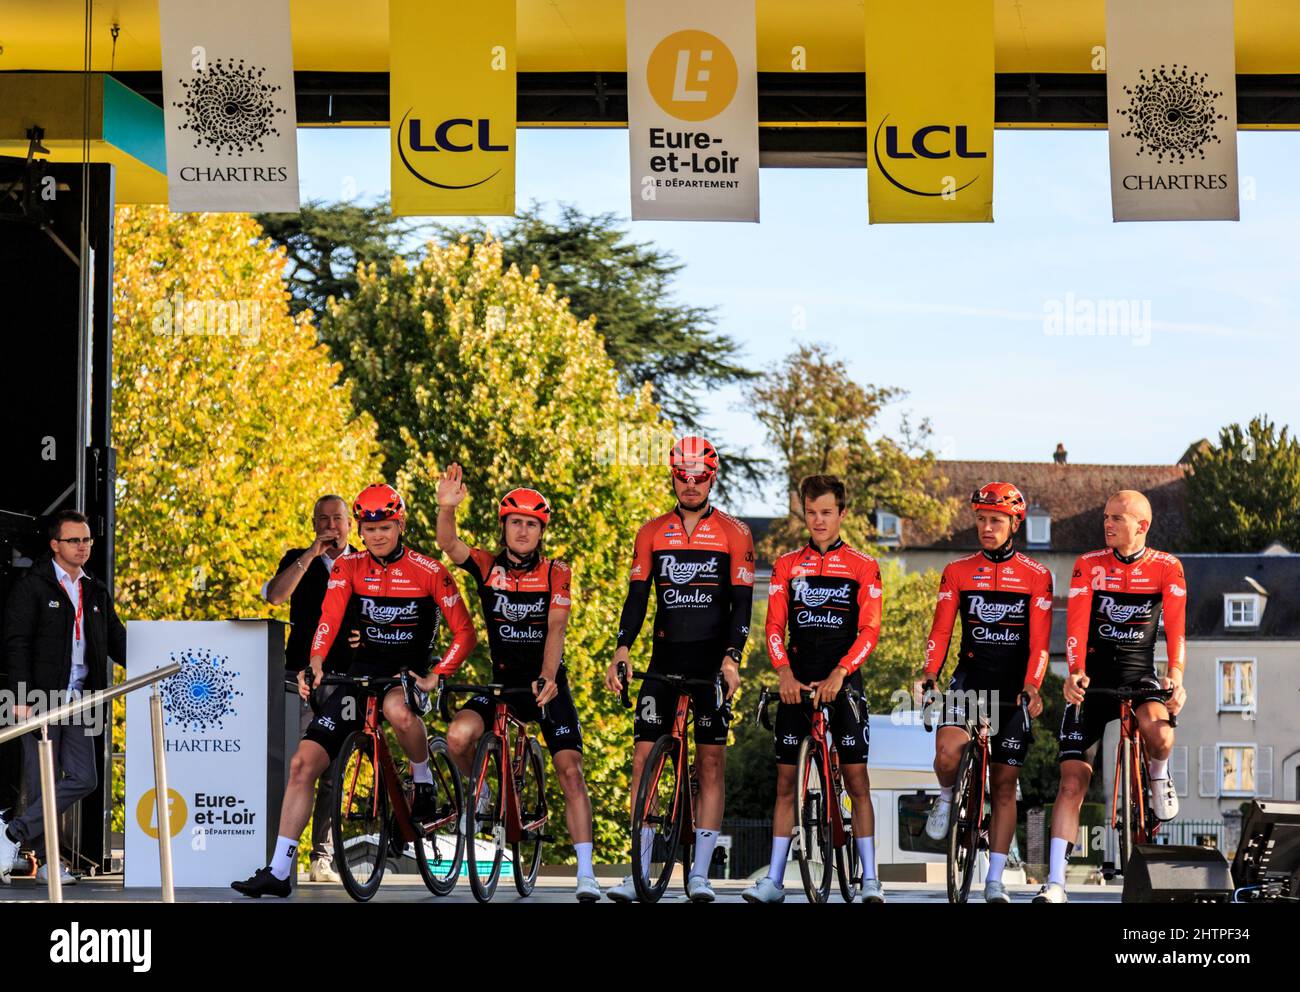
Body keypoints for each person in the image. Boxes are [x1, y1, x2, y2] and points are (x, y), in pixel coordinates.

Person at [231, 484, 476, 897]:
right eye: (369, 528)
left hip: (408, 672)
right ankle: (277, 871)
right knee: (302, 764)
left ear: (400, 524)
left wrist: (438, 674)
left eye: (385, 527)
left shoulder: (429, 569)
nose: (377, 535)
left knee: (399, 711)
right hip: (361, 675)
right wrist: (315, 663)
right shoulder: (349, 567)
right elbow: (328, 620)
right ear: (360, 530)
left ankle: (423, 779)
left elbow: (465, 633)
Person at [434, 464, 600, 903]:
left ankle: (586, 872)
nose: (522, 531)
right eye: (515, 523)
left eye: (531, 524)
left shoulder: (556, 571)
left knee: (570, 771)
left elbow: (557, 628)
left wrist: (548, 675)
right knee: (457, 736)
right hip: (503, 686)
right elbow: (449, 545)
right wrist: (446, 507)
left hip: (546, 685)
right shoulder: (488, 566)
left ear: (540, 531)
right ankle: (484, 789)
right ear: (504, 526)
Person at [603, 436, 755, 903]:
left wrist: (732, 659)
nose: (690, 485)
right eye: (683, 477)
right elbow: (637, 598)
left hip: (711, 661)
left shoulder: (735, 533)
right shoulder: (651, 532)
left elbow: (743, 605)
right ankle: (639, 870)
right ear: (672, 476)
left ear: (712, 478)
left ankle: (700, 875)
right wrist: (622, 649)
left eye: (700, 478)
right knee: (641, 761)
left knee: (710, 764)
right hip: (664, 659)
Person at [1034, 489, 1186, 904]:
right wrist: (1075, 673)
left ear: (1142, 526)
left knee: (1161, 733)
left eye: (1118, 518)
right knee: (1071, 782)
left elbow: (1176, 631)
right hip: (1093, 679)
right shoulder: (1088, 565)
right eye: (1106, 516)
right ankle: (1056, 882)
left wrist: (1175, 677)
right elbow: (1077, 627)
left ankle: (1157, 776)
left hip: (1140, 676)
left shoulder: (1166, 568)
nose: (1108, 523)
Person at [741, 475, 884, 904]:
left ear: (842, 513)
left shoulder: (863, 565)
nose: (818, 520)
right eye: (811, 512)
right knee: (786, 784)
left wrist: (842, 671)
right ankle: (775, 881)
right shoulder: (787, 564)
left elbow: (870, 629)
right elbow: (772, 626)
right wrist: (783, 671)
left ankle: (871, 880)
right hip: (797, 682)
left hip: (844, 681)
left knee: (857, 781)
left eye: (826, 512)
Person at [919, 482, 1051, 904]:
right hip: (971, 680)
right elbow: (941, 630)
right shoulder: (958, 571)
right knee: (946, 754)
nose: (986, 527)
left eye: (995, 520)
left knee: (1005, 785)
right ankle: (945, 798)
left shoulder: (1036, 576)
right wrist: (929, 674)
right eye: (980, 519)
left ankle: (994, 878)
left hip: (1013, 688)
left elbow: (1040, 644)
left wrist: (1033, 685)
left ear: (1015, 523)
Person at [1, 510, 127, 885]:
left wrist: (160, 657)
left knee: (85, 778)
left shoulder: (95, 589)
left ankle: (11, 831)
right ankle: (47, 862)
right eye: (74, 540)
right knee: (42, 781)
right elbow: (16, 643)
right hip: (37, 696)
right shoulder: (32, 584)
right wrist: (21, 695)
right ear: (55, 544)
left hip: (81, 697)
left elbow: (117, 640)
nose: (83, 546)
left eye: (87, 539)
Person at [261, 494, 357, 883]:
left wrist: (364, 637)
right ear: (314, 523)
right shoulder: (296, 558)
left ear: (350, 524)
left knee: (334, 770)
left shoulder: (366, 564)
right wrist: (310, 554)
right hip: (298, 675)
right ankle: (282, 857)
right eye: (322, 519)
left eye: (337, 519)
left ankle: (323, 857)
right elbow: (275, 596)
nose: (330, 526)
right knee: (296, 766)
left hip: (344, 678)